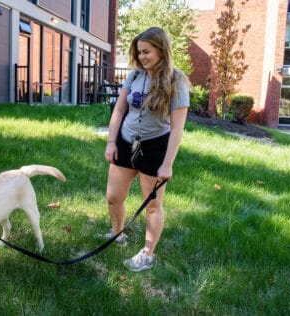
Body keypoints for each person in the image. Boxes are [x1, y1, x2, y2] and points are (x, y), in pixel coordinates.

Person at [102, 27, 190, 272]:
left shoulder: (176, 81)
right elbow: (119, 110)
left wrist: (167, 163)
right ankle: (117, 234)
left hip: (155, 148)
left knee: (152, 205)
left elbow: (177, 128)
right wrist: (112, 141)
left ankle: (147, 253)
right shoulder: (134, 76)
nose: (142, 57)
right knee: (113, 197)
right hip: (125, 141)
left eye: (147, 51)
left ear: (162, 50)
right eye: (139, 52)